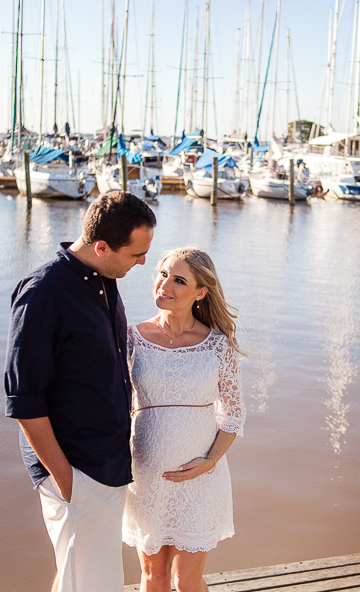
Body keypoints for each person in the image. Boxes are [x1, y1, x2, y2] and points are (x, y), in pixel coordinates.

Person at [4, 191, 156, 592]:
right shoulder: (44, 293)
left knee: (82, 577)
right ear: (101, 246)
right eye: (135, 254)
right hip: (75, 468)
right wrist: (65, 479)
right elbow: (25, 401)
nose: (142, 263)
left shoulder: (104, 279)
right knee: (91, 583)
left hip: (105, 461)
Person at [123, 247, 246, 592]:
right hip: (145, 473)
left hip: (200, 477)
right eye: (163, 274)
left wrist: (210, 461)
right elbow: (114, 403)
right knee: (154, 577)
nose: (165, 285)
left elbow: (233, 414)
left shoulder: (218, 345)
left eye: (179, 280)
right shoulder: (131, 337)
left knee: (186, 580)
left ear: (200, 292)